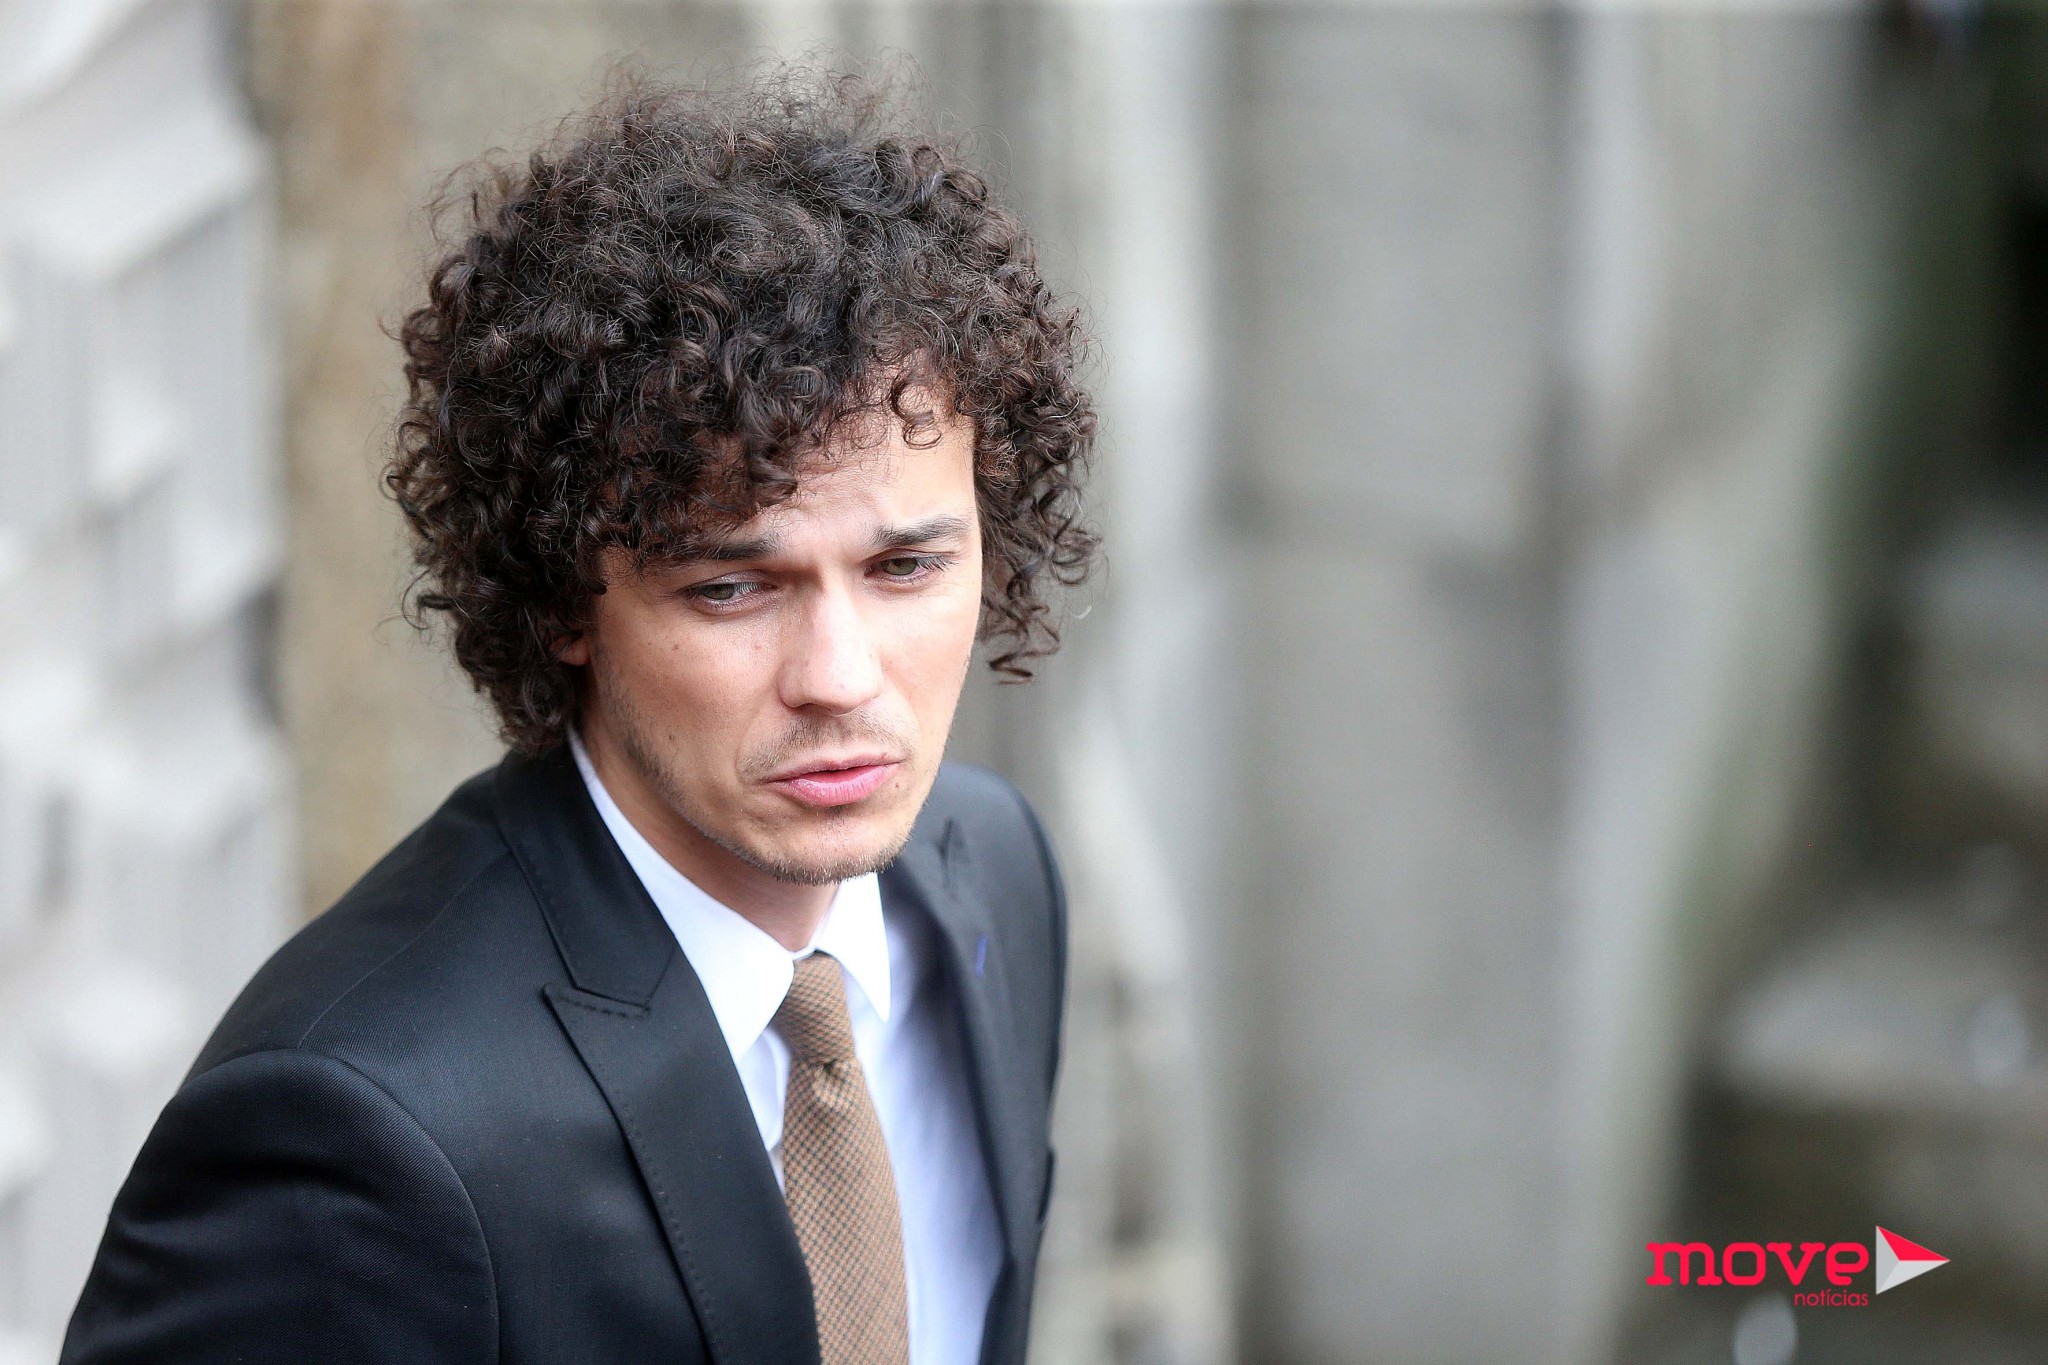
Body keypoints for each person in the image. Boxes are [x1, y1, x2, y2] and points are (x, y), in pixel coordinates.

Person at [60, 70, 1095, 1365]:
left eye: (906, 567)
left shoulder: (992, 873)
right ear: (564, 599)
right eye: (731, 587)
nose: (840, 675)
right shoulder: (350, 1136)